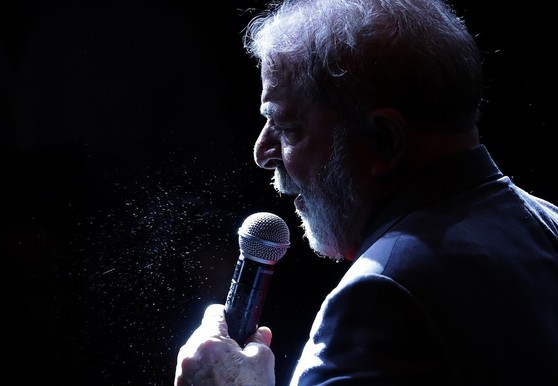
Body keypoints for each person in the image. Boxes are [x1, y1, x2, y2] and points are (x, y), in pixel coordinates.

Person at [174, 0, 558, 384]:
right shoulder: (547, 225)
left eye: (288, 128)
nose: (262, 153)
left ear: (384, 140)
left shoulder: (380, 295)